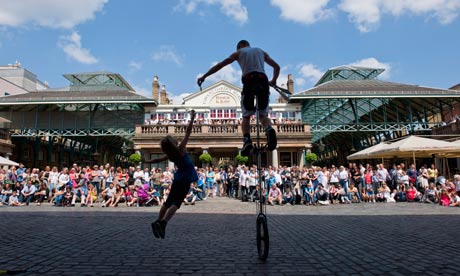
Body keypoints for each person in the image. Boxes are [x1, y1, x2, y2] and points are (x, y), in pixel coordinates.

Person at [197, 40, 280, 156]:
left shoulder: (239, 53)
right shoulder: (261, 51)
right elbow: (277, 67)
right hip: (263, 80)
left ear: (239, 46)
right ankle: (269, 129)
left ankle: (247, 140)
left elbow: (221, 65)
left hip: (249, 81)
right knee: (262, 115)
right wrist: (273, 80)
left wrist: (204, 76)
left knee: (246, 116)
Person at [143, 110, 198, 239]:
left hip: (178, 177)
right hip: (185, 178)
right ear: (174, 143)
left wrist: (147, 161)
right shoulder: (181, 150)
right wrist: (192, 118)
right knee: (177, 203)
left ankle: (158, 220)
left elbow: (157, 160)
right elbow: (188, 132)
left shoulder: (171, 155)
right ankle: (164, 222)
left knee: (168, 202)